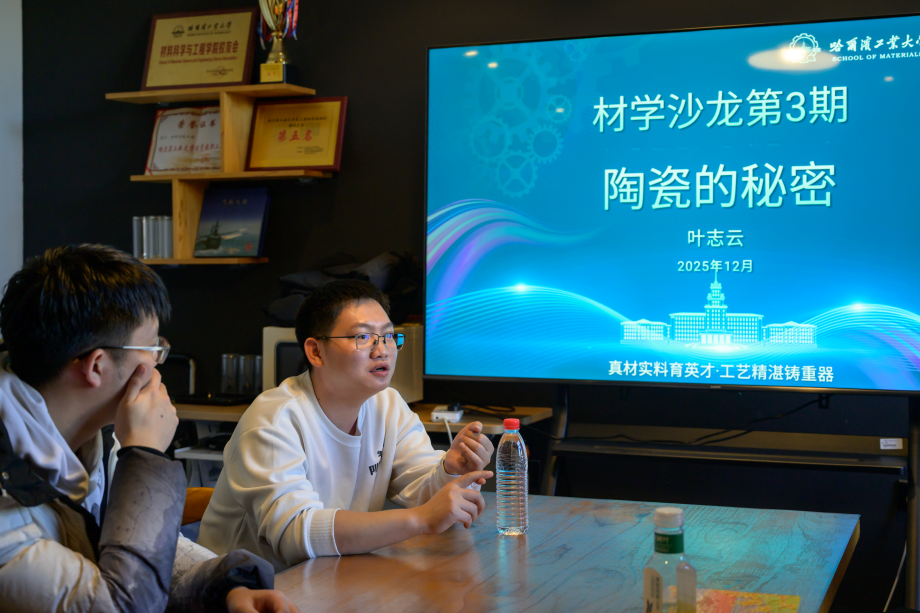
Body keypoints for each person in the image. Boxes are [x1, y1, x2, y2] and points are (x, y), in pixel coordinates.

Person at [0, 244, 299, 613]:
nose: (158, 362)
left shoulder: (94, 436)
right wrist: (145, 456)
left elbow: (137, 544)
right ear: (97, 366)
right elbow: (121, 606)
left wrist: (226, 590)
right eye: (152, 347)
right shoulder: (7, 501)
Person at [198, 280, 494, 570]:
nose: (382, 350)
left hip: (331, 575)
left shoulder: (387, 405)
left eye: (389, 336)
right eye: (363, 337)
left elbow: (423, 492)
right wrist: (421, 519)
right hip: (242, 588)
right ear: (315, 352)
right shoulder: (274, 419)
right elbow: (294, 532)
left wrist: (450, 469)